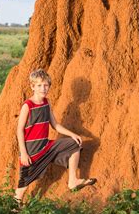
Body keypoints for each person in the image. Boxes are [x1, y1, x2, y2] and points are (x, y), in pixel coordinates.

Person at [14, 69, 96, 206]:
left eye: (46, 85)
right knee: (23, 185)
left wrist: (73, 134)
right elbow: (19, 130)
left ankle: (72, 181)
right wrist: (23, 153)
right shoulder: (28, 106)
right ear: (32, 86)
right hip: (32, 151)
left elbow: (55, 125)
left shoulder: (47, 103)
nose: (43, 88)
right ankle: (14, 209)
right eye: (39, 85)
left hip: (46, 146)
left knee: (74, 144)